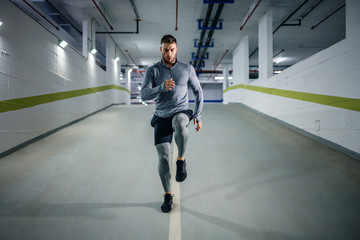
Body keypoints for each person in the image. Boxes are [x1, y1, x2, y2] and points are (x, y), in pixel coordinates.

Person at [140, 35, 203, 213]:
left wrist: (197, 115)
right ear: (161, 49)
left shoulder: (186, 68)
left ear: (177, 49)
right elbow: (144, 95)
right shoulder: (153, 71)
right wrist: (161, 87)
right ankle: (168, 195)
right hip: (160, 116)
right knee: (163, 157)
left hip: (181, 111)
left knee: (179, 122)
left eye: (172, 49)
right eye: (166, 49)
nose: (169, 53)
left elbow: (198, 92)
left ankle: (181, 160)